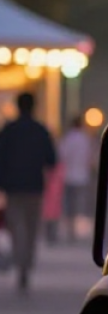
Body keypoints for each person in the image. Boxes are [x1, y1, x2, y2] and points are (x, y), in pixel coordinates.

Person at [0, 92, 57, 291]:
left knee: (16, 227)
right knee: (32, 228)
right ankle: (26, 263)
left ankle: (20, 261)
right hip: (34, 186)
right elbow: (51, 159)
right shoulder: (40, 130)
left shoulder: (9, 130)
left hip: (13, 187)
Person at [59, 115, 94, 241]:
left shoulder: (68, 139)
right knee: (79, 204)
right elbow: (89, 157)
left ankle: (70, 231)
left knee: (69, 206)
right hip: (82, 177)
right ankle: (76, 231)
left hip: (69, 176)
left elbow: (62, 156)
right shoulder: (85, 139)